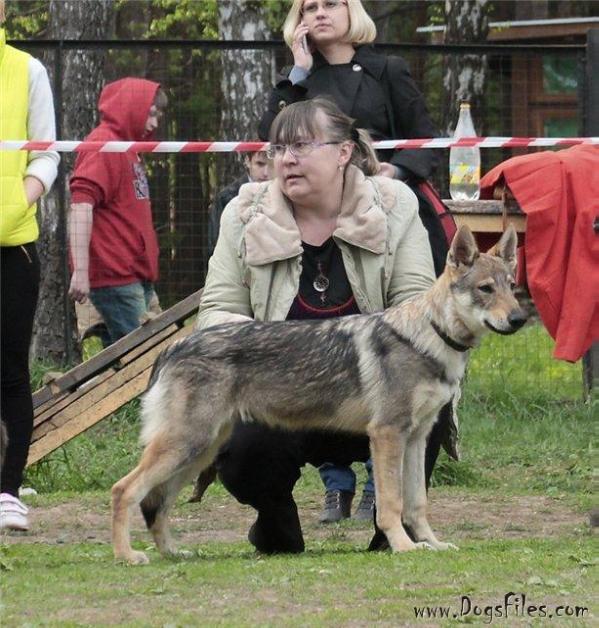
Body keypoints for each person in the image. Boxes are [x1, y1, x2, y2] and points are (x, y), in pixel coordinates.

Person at [197, 97, 436, 553]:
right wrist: (274, 356)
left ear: (344, 152)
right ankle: (275, 523)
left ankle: (394, 531)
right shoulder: (243, 213)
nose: (286, 159)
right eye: (278, 148)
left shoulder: (395, 204)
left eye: (302, 146)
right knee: (243, 453)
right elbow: (217, 312)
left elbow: (418, 307)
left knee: (425, 399)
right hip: (283, 393)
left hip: (373, 391)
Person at [258, 0, 456, 523]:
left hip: (390, 217)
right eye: (309, 6)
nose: (320, 13)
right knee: (319, 347)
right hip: (314, 226)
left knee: (397, 362)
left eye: (331, 4)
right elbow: (269, 136)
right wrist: (297, 73)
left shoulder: (386, 69)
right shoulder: (298, 80)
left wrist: (393, 177)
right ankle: (334, 482)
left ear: (354, 12)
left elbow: (426, 138)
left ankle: (381, 485)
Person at [0, 2, 60, 531]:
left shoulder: (28, 69)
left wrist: (22, 195)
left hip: (11, 246)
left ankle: (8, 491)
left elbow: (47, 153)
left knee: (10, 372)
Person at [68, 78, 167, 347]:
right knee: (145, 356)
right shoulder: (105, 146)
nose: (155, 123)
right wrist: (80, 270)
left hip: (133, 275)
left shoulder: (128, 148)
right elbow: (80, 206)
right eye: (151, 113)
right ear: (132, 107)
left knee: (128, 361)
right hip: (116, 277)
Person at [208, 151, 271, 256]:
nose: (265, 172)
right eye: (260, 164)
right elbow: (215, 243)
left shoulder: (286, 195)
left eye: (271, 164)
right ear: (247, 161)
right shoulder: (227, 197)